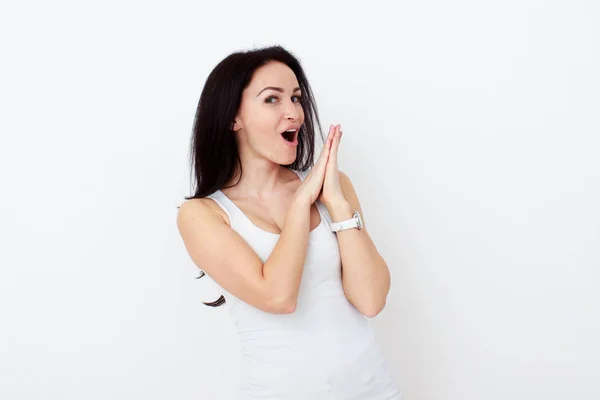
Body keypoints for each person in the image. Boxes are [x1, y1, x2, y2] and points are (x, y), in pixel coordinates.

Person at [177, 45, 402, 399]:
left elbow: (372, 299)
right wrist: (300, 205)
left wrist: (337, 203)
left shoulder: (333, 188)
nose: (293, 112)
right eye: (272, 100)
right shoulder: (202, 215)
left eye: (296, 98)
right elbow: (279, 297)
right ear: (232, 118)